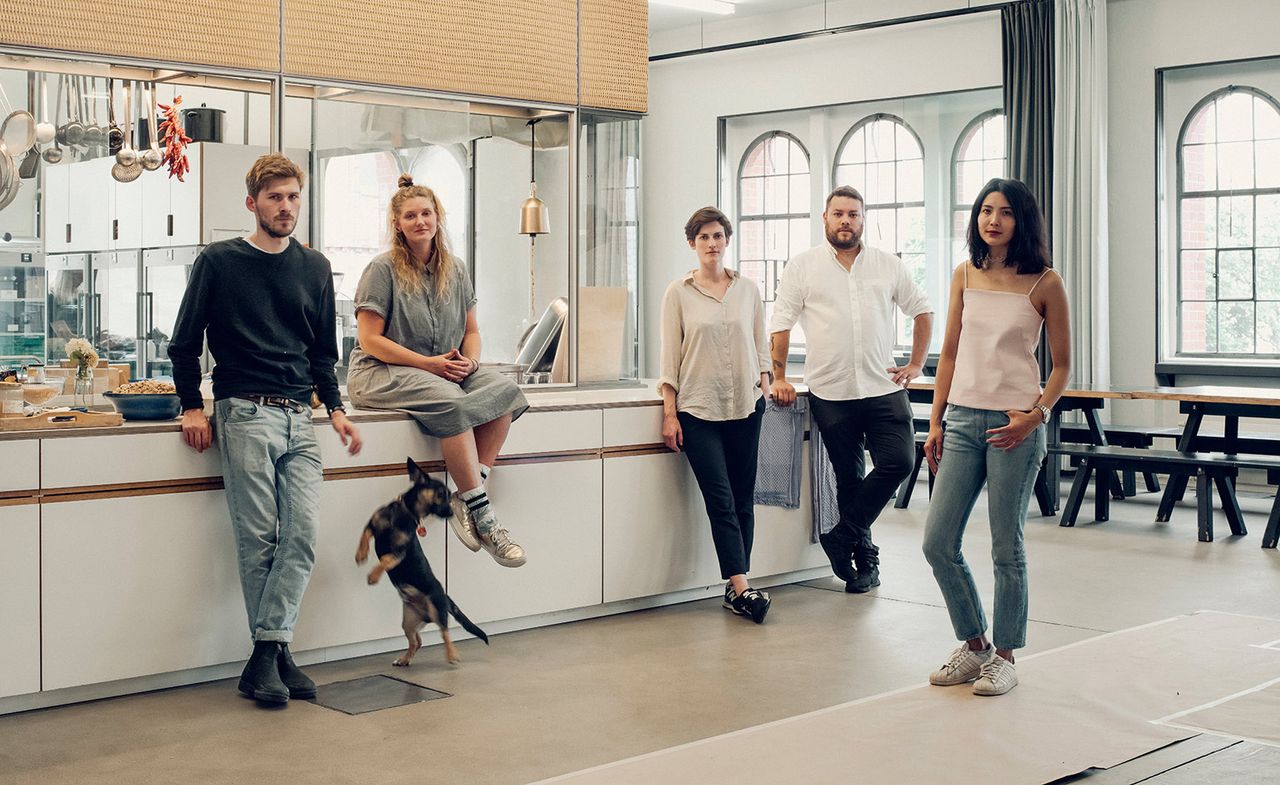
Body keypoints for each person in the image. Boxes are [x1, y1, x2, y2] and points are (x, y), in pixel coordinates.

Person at [170, 153, 363, 706]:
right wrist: (191, 405)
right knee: (258, 540)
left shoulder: (316, 267)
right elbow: (185, 343)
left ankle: (265, 655)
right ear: (252, 203)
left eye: (293, 197)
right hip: (244, 411)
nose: (286, 207)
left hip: (301, 416)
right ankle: (278, 656)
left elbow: (323, 351)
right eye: (275, 197)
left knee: (301, 535)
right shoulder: (220, 262)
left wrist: (337, 406)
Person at [921, 178, 1070, 697]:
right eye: (986, 210)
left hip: (1015, 427)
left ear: (1020, 220)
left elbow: (1063, 366)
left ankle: (1005, 655)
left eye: (1004, 212)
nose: (993, 220)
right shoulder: (965, 274)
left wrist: (1036, 416)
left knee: (1007, 547)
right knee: (938, 543)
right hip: (961, 420)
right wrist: (935, 421)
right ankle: (976, 645)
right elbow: (951, 353)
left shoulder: (1045, 282)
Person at [346, 175, 528, 568]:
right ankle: (485, 517)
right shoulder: (382, 269)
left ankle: (467, 495)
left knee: (505, 393)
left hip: (442, 368)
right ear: (397, 224)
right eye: (410, 216)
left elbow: (472, 332)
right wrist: (429, 364)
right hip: (381, 371)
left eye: (426, 213)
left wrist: (472, 362)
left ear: (437, 217)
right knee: (452, 401)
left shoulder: (455, 269)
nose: (420, 221)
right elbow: (370, 340)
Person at [769, 186, 933, 593]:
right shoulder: (803, 266)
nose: (846, 221)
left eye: (854, 214)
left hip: (883, 387)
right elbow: (781, 322)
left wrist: (915, 364)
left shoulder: (888, 265)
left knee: (899, 461)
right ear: (825, 218)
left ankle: (842, 536)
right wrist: (778, 375)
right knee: (848, 479)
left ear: (864, 220)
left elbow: (923, 310)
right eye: (839, 213)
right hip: (831, 390)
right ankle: (865, 563)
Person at [659, 207, 773, 623]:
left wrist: (766, 383)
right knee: (721, 500)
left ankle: (735, 586)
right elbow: (670, 360)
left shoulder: (748, 290)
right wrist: (669, 414)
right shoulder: (679, 292)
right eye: (703, 237)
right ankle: (743, 588)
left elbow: (760, 345)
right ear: (693, 244)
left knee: (744, 498)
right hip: (698, 409)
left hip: (746, 405)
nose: (712, 243)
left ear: (727, 241)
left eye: (718, 236)